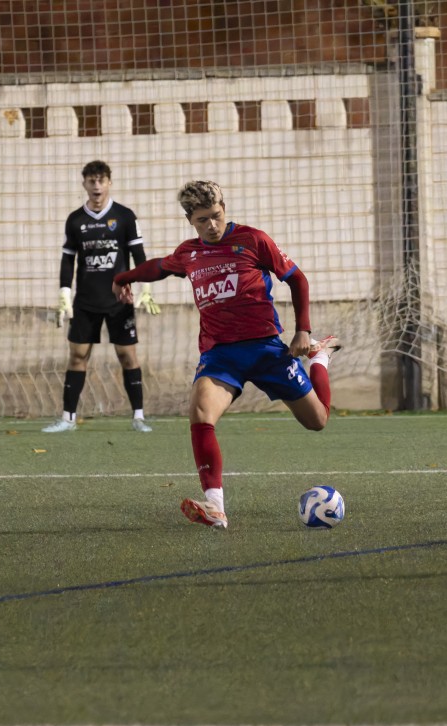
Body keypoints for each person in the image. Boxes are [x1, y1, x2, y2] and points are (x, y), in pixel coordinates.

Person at [112, 180, 339, 529]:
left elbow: (298, 280)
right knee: (200, 412)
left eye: (217, 216)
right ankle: (215, 506)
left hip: (264, 347)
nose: (212, 225)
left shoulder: (253, 240)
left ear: (224, 208)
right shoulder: (189, 253)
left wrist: (303, 331)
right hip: (220, 355)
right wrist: (125, 276)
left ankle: (320, 360)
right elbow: (159, 267)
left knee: (317, 421)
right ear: (191, 220)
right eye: (203, 220)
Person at [44, 160, 160, 434]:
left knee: (127, 356)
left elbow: (138, 255)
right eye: (91, 181)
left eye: (101, 180)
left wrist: (145, 287)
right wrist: (64, 295)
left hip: (119, 301)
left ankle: (139, 417)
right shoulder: (76, 220)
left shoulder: (125, 216)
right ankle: (68, 419)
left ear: (109, 183)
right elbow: (67, 261)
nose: (96, 186)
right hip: (85, 302)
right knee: (77, 356)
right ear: (84, 184)